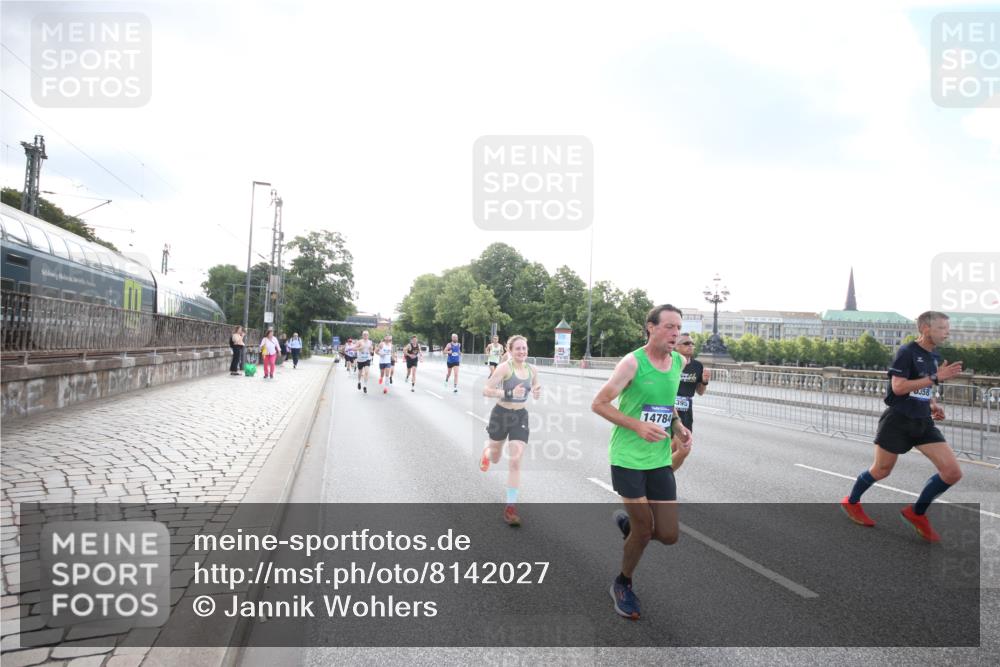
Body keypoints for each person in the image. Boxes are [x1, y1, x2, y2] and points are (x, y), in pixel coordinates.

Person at [591, 304, 692, 620]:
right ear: (651, 327)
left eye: (679, 327)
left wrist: (677, 425)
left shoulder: (678, 361)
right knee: (645, 531)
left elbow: (666, 403)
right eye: (669, 326)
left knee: (669, 534)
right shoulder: (632, 363)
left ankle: (629, 526)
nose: (675, 333)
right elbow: (599, 404)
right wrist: (636, 425)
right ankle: (623, 583)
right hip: (628, 458)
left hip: (658, 457)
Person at [841, 311, 964, 543]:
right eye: (942, 328)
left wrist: (932, 404)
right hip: (898, 421)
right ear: (925, 329)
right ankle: (851, 501)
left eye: (948, 328)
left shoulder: (933, 356)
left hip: (922, 422)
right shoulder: (907, 352)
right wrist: (937, 378)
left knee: (952, 472)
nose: (947, 332)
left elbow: (921, 386)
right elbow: (898, 387)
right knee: (881, 470)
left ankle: (916, 513)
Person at [480, 335, 540, 527]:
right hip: (500, 415)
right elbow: (486, 390)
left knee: (515, 461)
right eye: (518, 349)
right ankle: (487, 452)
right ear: (510, 351)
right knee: (496, 457)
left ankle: (510, 507)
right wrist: (508, 393)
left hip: (520, 416)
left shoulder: (533, 369)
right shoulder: (505, 368)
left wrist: (537, 390)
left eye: (524, 348)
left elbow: (535, 386)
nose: (522, 351)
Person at [671, 333, 710, 470]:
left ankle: (663, 476)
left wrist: (704, 381)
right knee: (671, 448)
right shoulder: (670, 362)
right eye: (686, 343)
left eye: (692, 343)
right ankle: (660, 479)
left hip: (686, 413)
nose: (690, 346)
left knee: (683, 450)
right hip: (668, 411)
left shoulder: (697, 366)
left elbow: (700, 391)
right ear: (676, 347)